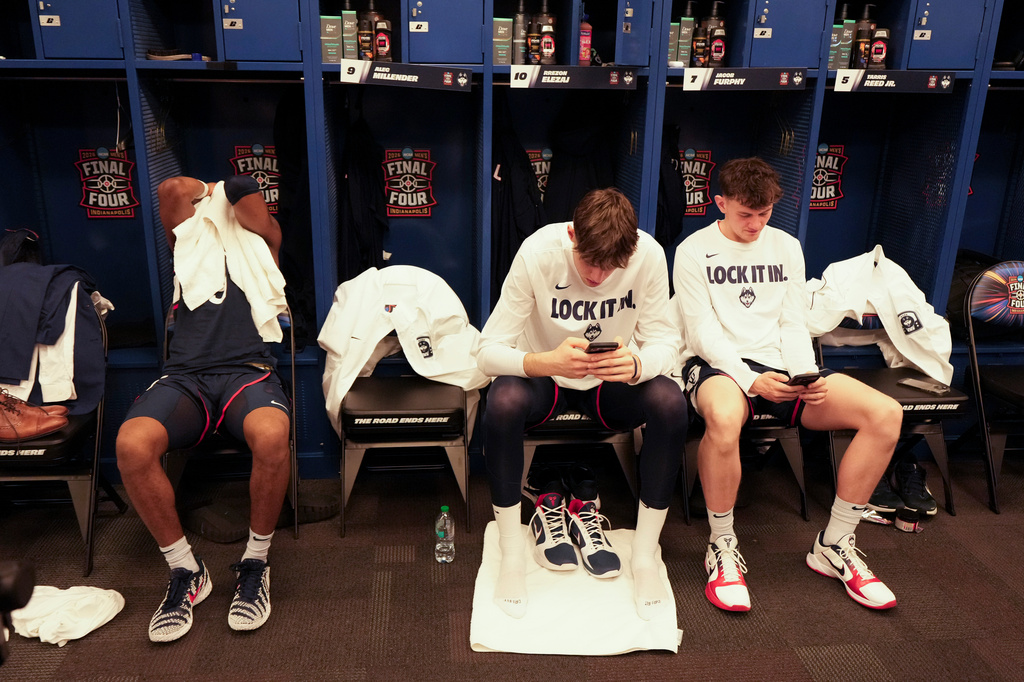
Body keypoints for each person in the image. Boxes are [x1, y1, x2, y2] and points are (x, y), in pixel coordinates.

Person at [673, 157, 903, 612]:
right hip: (719, 365)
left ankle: (834, 545)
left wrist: (805, 374)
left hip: (781, 365)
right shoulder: (693, 250)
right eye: (745, 214)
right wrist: (751, 379)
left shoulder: (786, 246)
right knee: (723, 417)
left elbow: (793, 321)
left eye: (764, 214)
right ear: (719, 203)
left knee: (885, 414)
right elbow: (701, 331)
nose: (755, 224)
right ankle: (721, 546)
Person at [477, 187, 688, 621]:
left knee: (670, 401)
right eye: (589, 261)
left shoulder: (646, 254)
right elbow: (486, 351)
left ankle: (646, 556)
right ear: (572, 235)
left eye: (611, 265)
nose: (597, 276)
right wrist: (543, 361)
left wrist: (637, 364)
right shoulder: (538, 252)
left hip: (612, 386)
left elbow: (668, 342)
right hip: (548, 384)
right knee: (502, 400)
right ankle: (512, 555)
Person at [116, 175, 291, 642]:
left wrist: (223, 191)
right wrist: (209, 194)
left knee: (273, 434)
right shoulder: (188, 239)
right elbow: (172, 190)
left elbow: (245, 194)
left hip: (247, 372)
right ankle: (185, 570)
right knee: (131, 445)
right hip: (187, 376)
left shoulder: (266, 238)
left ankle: (255, 563)